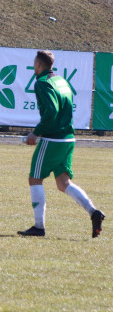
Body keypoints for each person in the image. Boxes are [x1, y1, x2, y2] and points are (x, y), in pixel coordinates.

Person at [19, 50, 104, 238]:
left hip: (53, 139)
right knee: (63, 183)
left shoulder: (42, 83)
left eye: (35, 63)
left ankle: (39, 227)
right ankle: (93, 212)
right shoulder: (62, 81)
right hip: (68, 138)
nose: (34, 66)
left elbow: (51, 112)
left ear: (39, 65)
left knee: (35, 179)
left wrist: (35, 133)